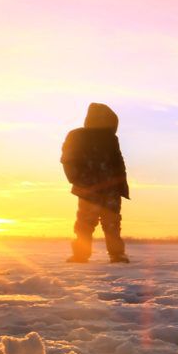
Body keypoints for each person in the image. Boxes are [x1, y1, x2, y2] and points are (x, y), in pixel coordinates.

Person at [61, 102, 130, 263]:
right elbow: (67, 159)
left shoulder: (111, 139)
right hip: (88, 188)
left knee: (112, 223)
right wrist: (77, 180)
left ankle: (116, 254)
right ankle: (81, 254)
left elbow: (118, 162)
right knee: (85, 223)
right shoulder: (77, 136)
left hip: (110, 189)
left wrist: (121, 185)